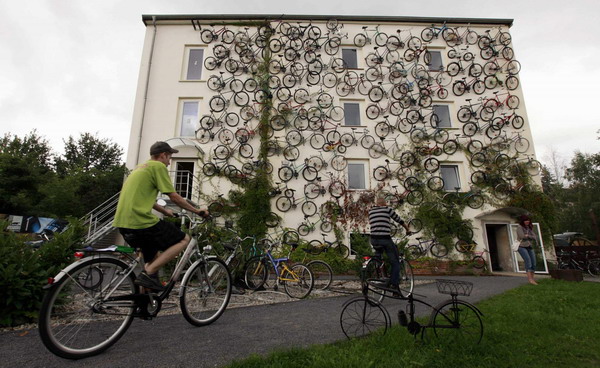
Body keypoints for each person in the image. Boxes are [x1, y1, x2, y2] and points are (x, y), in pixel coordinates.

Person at [113, 141, 208, 291]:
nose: (169, 162)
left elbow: (144, 198)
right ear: (163, 155)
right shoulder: (158, 166)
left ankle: (144, 304)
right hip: (140, 222)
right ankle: (148, 273)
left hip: (122, 222)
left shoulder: (139, 168)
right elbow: (174, 197)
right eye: (169, 157)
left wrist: (165, 211)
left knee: (153, 259)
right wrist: (197, 211)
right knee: (184, 239)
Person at [368, 194, 412, 294]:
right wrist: (407, 229)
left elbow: (373, 223)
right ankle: (394, 286)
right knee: (395, 262)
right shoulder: (387, 210)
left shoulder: (371, 211)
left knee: (378, 254)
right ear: (384, 204)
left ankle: (379, 272)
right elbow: (399, 220)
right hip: (385, 239)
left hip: (374, 239)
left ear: (376, 204)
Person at [516, 214, 538, 285]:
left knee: (533, 263)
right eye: (526, 220)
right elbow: (522, 236)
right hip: (522, 246)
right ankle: (530, 280)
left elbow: (535, 236)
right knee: (528, 261)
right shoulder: (519, 227)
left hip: (529, 246)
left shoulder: (529, 228)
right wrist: (528, 236)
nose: (527, 221)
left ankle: (532, 278)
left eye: (528, 220)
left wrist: (528, 236)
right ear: (523, 221)